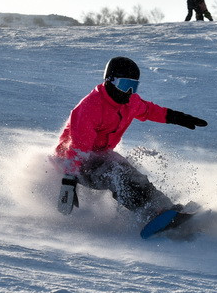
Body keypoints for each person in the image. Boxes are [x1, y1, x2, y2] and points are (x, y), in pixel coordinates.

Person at [54, 56, 208, 222]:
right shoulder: (89, 108)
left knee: (136, 177)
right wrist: (69, 181)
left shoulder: (130, 102)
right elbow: (78, 149)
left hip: (102, 155)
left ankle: (168, 210)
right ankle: (149, 215)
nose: (129, 92)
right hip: (76, 164)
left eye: (133, 87)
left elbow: (150, 110)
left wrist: (178, 117)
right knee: (118, 175)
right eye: (125, 85)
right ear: (110, 81)